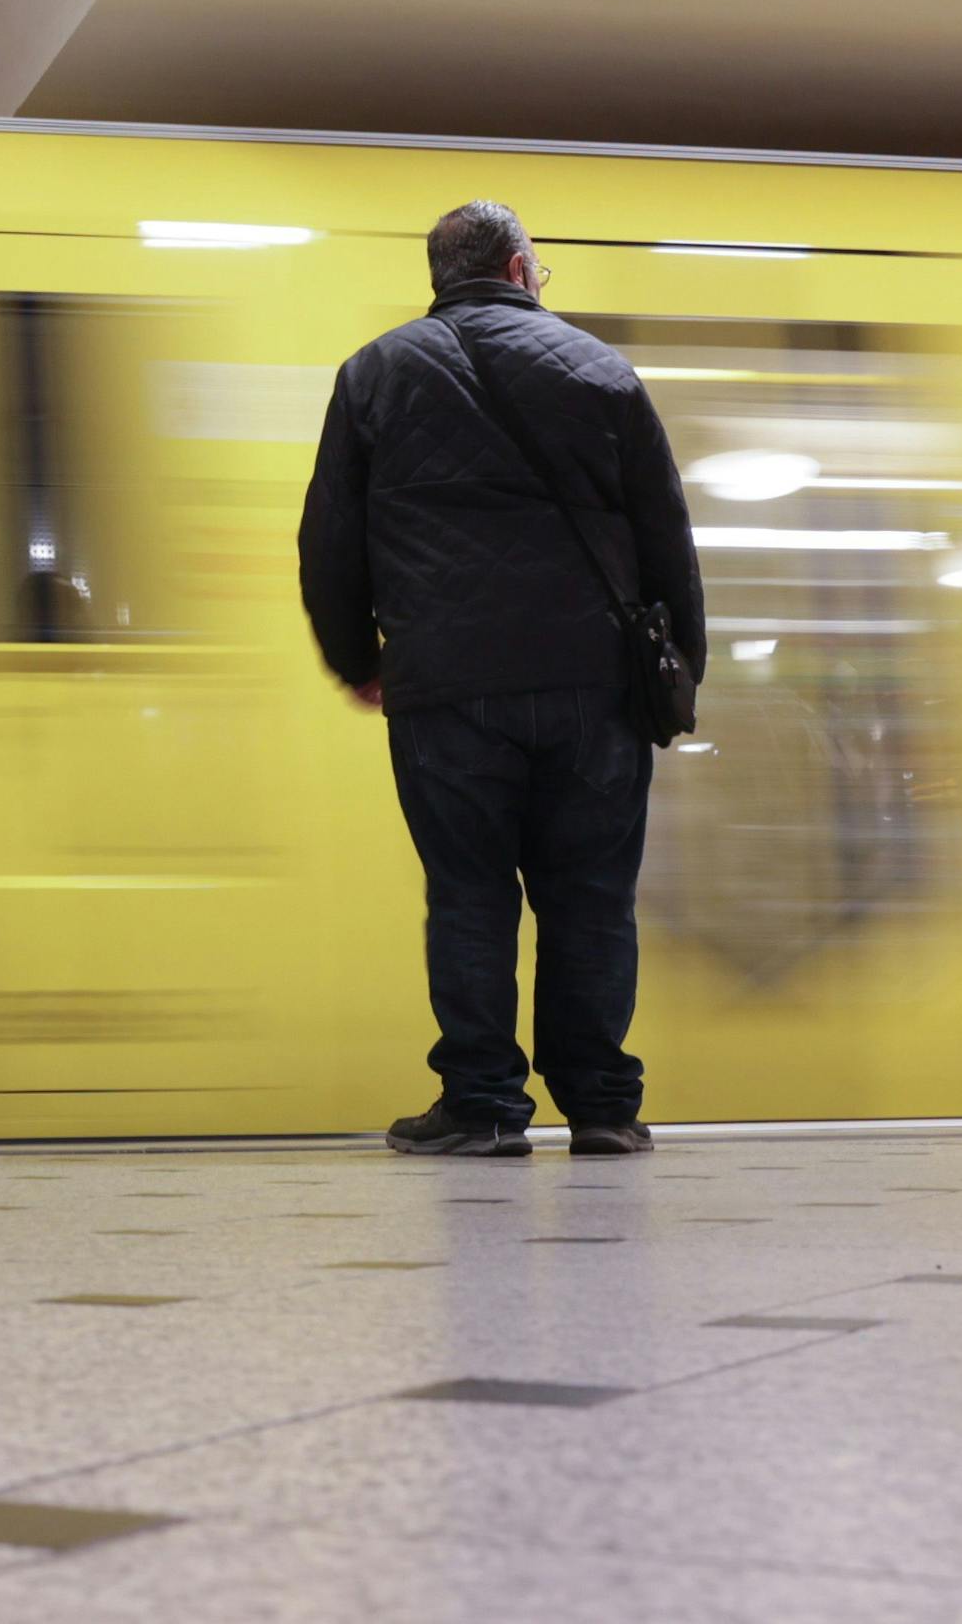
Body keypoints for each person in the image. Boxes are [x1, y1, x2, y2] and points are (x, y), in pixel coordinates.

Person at [298, 200, 706, 1157]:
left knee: (471, 893)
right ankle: (604, 1107)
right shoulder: (602, 370)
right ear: (522, 270)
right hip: (594, 691)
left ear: (442, 277)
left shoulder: (376, 373)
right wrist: (680, 670)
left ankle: (482, 1106)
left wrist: (359, 662)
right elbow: (665, 539)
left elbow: (329, 543)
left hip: (447, 692)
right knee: (593, 896)